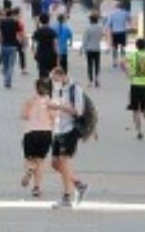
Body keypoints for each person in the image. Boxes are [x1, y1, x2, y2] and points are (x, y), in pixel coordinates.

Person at [47, 66, 90, 208]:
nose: (53, 82)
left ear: (62, 75)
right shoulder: (59, 89)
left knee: (64, 162)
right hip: (58, 130)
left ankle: (66, 197)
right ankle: (78, 184)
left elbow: (78, 111)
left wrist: (58, 107)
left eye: (55, 79)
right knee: (55, 164)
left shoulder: (75, 89)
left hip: (70, 130)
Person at [20, 78, 55, 199]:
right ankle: (37, 188)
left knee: (29, 158)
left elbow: (24, 115)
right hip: (46, 133)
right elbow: (54, 117)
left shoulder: (30, 100)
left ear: (36, 88)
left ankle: (30, 168)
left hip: (31, 132)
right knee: (40, 161)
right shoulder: (50, 102)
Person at [0, 7, 24, 88]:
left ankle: (6, 79)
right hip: (13, 46)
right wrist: (21, 42)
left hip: (4, 45)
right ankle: (8, 80)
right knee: (11, 65)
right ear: (11, 14)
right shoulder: (16, 23)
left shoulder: (2, 23)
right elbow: (19, 34)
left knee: (5, 65)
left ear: (6, 15)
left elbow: (0, 34)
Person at [32, 13, 60, 79]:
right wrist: (58, 56)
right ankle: (50, 86)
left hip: (41, 54)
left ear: (40, 21)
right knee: (52, 74)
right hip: (51, 55)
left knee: (42, 74)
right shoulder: (52, 31)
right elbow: (55, 45)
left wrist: (34, 54)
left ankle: (43, 87)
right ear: (48, 20)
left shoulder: (37, 31)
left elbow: (33, 45)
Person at [105, 2, 132, 68]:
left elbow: (109, 23)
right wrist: (128, 25)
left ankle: (115, 62)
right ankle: (123, 61)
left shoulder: (112, 13)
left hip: (115, 32)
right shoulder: (125, 13)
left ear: (116, 7)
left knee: (115, 47)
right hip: (122, 32)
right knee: (123, 47)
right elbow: (129, 19)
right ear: (121, 7)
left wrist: (107, 30)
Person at [82, 12, 104, 88]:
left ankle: (90, 81)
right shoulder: (100, 27)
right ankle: (97, 79)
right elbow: (101, 36)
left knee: (90, 65)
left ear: (90, 20)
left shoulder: (87, 28)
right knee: (97, 65)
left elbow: (85, 40)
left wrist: (82, 49)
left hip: (89, 49)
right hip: (97, 48)